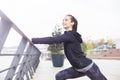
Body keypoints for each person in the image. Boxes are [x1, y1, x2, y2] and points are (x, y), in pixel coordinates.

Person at [32, 15, 107, 80]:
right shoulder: (69, 35)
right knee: (59, 76)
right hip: (78, 68)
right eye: (63, 20)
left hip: (88, 67)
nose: (63, 21)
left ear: (72, 23)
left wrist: (33, 40)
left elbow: (52, 39)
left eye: (66, 20)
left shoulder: (70, 35)